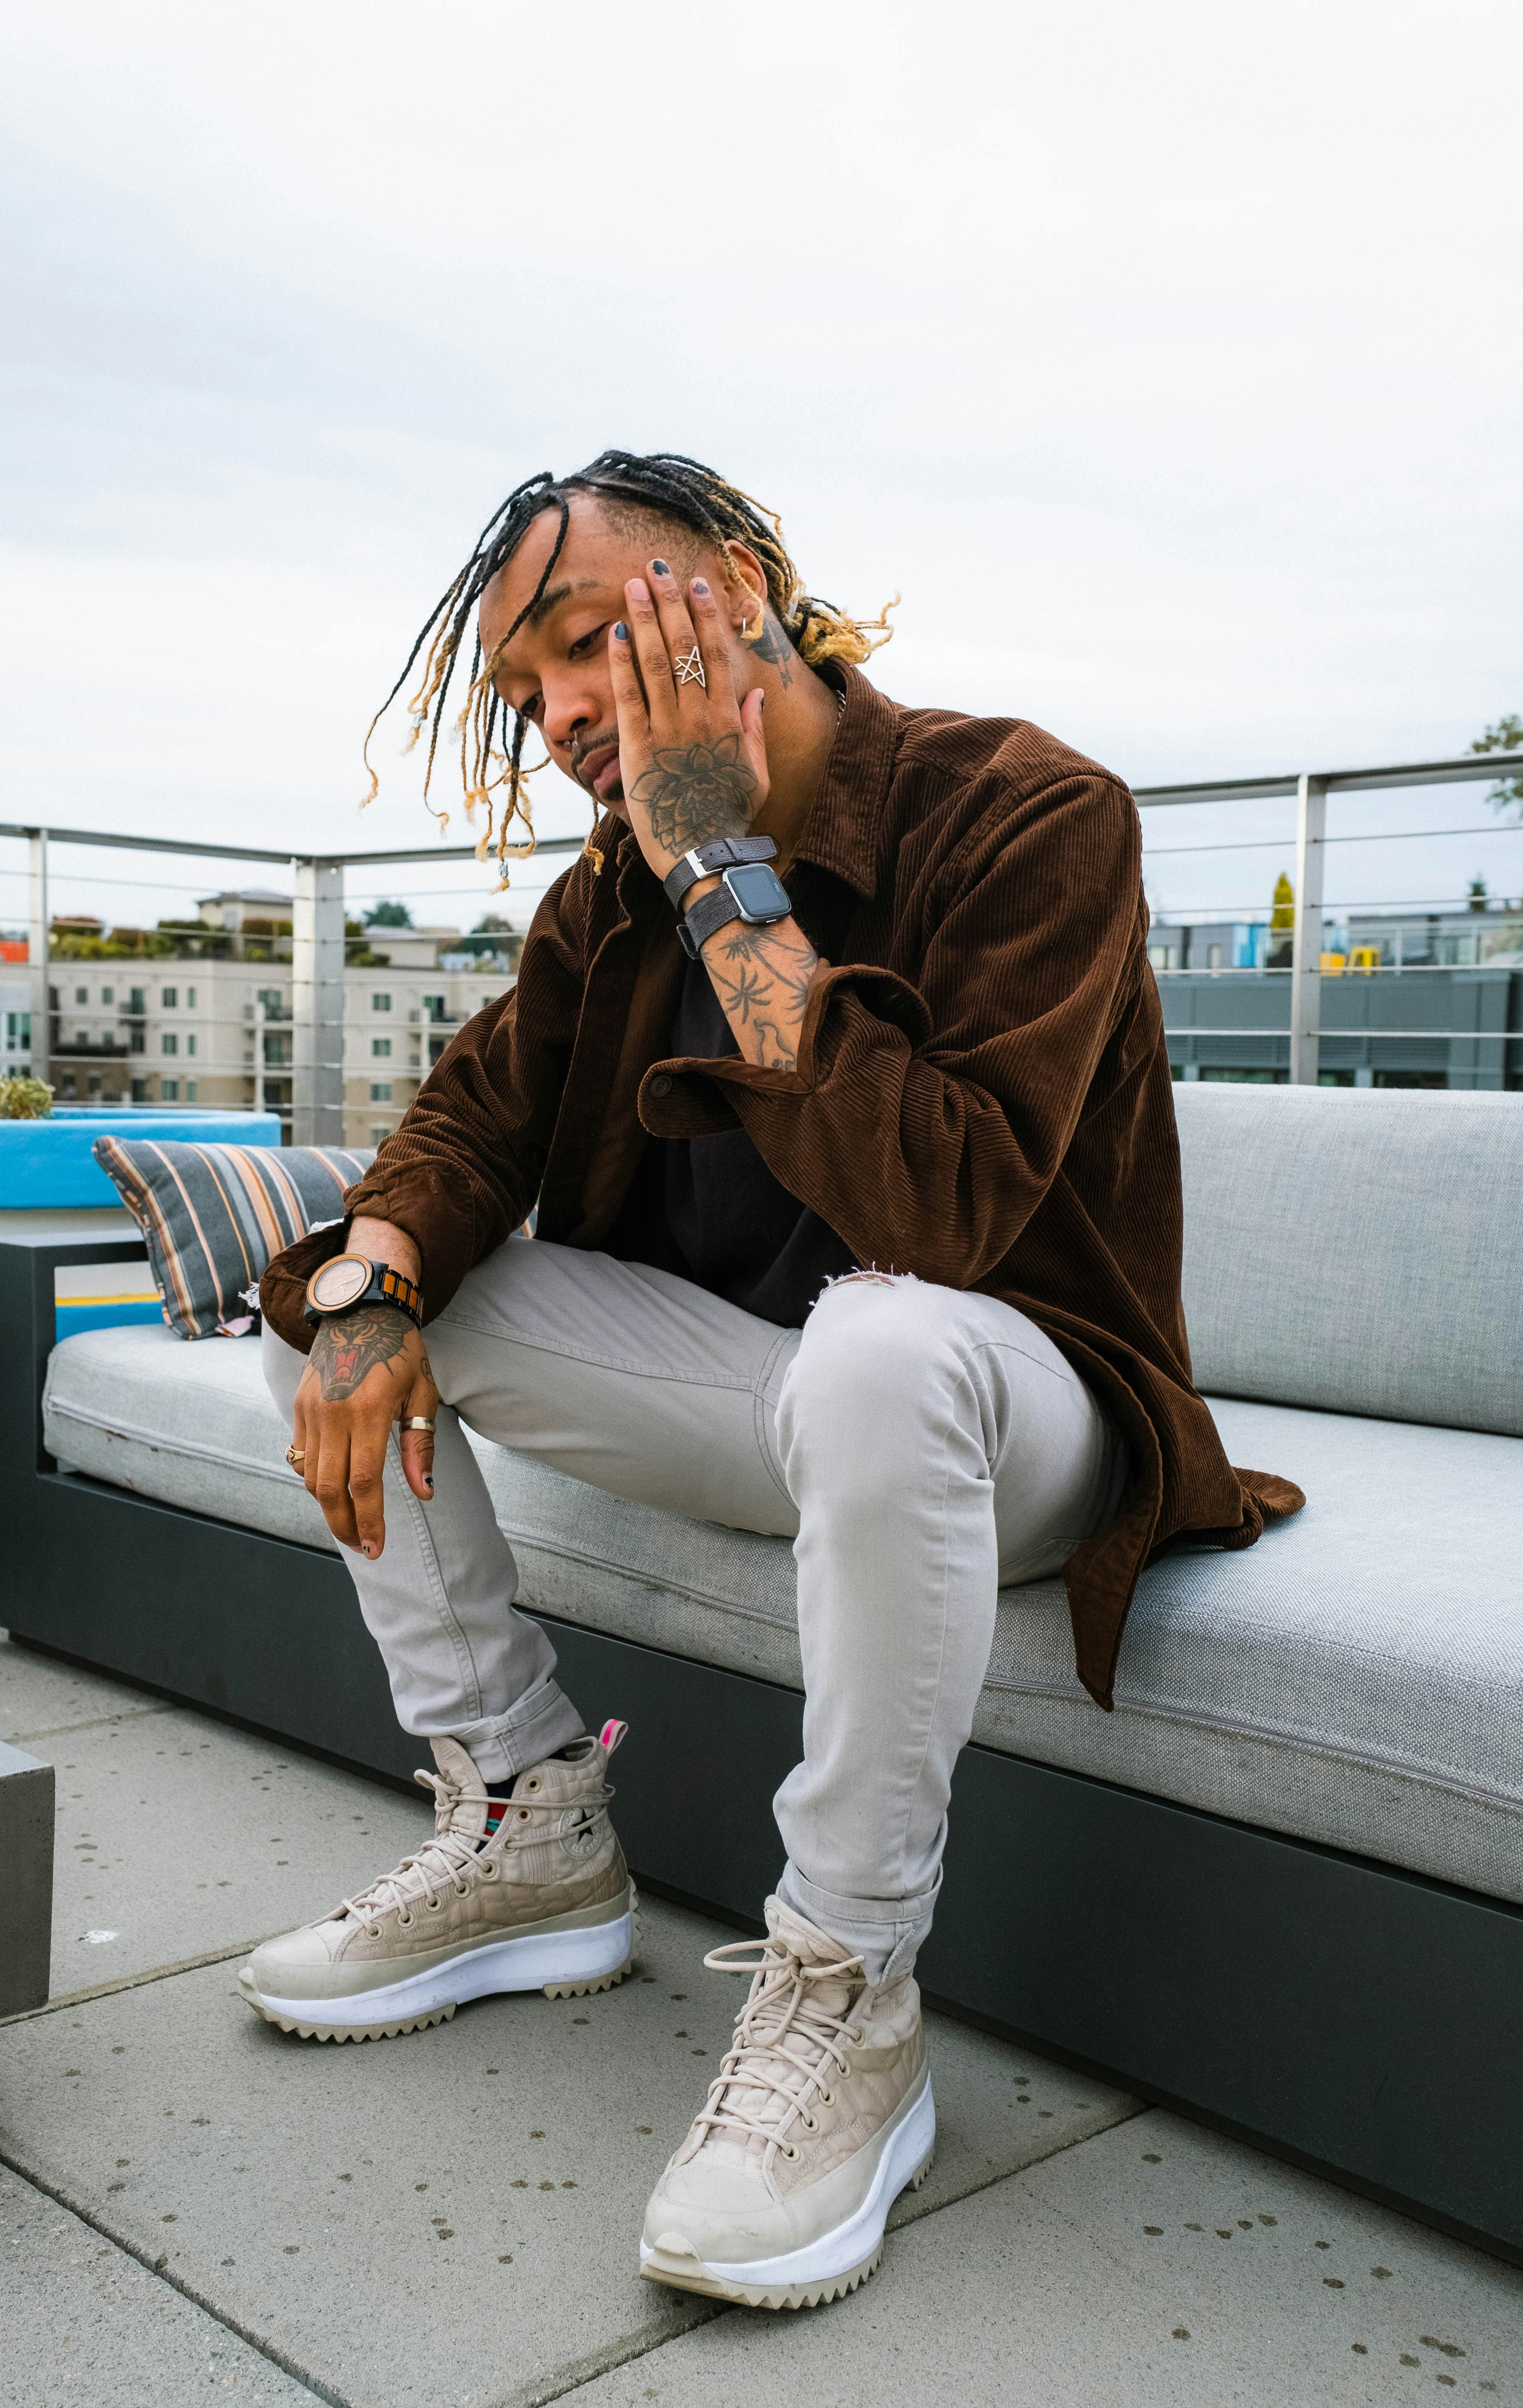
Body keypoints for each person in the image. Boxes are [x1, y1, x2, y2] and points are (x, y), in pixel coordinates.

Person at [242, 449, 1301, 2311]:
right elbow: (476, 1116)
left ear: (732, 583)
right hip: (781, 1402)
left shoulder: (1027, 811)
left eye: (587, 645)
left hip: (1022, 1406)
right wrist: (373, 1280)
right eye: (527, 693)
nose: (567, 714)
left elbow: (950, 1212)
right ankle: (526, 1817)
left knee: (885, 1335)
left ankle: (851, 1990)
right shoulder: (610, 891)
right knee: (351, 1309)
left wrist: (725, 868)